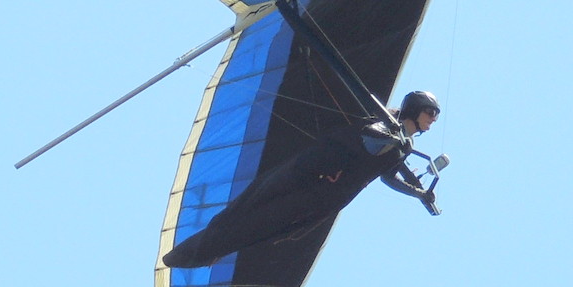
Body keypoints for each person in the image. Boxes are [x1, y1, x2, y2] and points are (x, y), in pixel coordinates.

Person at [162, 91, 442, 269]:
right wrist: (391, 135)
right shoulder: (385, 125)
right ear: (415, 108)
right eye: (430, 113)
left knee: (262, 225)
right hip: (307, 171)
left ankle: (201, 254)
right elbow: (370, 136)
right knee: (249, 205)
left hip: (319, 198)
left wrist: (419, 193)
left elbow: (389, 176)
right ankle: (194, 250)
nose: (432, 120)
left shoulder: (403, 147)